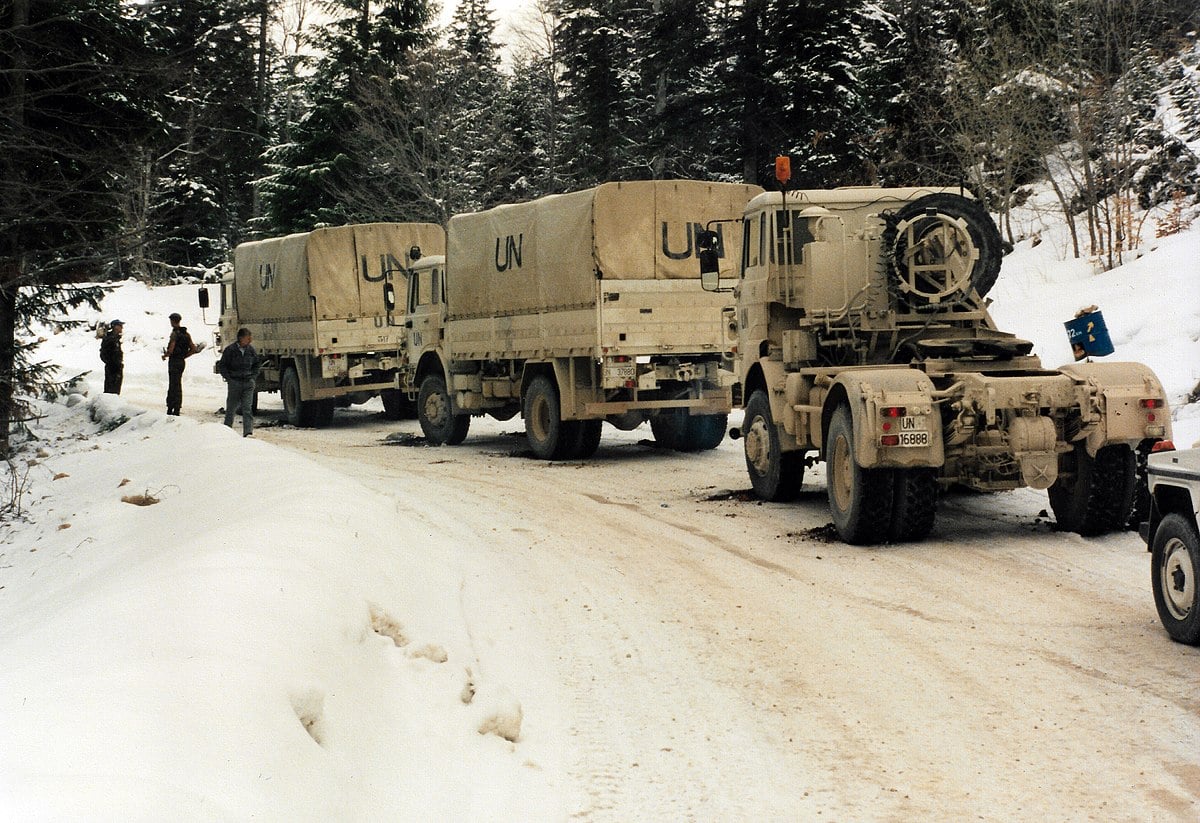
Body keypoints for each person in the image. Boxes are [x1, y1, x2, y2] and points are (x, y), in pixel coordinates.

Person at [218, 327, 262, 437]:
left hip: (248, 382)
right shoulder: (230, 350)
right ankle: (227, 430)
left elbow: (257, 364)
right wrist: (229, 379)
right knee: (231, 408)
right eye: (248, 338)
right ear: (241, 338)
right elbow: (222, 365)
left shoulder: (250, 350)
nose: (250, 340)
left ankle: (248, 432)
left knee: (247, 408)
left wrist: (253, 377)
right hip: (235, 383)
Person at [162, 312, 198, 416]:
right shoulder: (186, 334)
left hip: (174, 361)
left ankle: (170, 407)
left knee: (172, 384)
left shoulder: (175, 334)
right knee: (178, 384)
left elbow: (171, 348)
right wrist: (184, 356)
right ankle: (177, 408)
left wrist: (166, 355)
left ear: (172, 321)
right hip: (181, 361)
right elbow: (193, 349)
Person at [99, 320, 124, 394]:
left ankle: (113, 403)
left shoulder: (116, 339)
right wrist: (111, 363)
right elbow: (103, 353)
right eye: (120, 326)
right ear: (115, 327)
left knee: (116, 389)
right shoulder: (110, 338)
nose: (122, 328)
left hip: (117, 367)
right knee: (110, 389)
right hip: (112, 368)